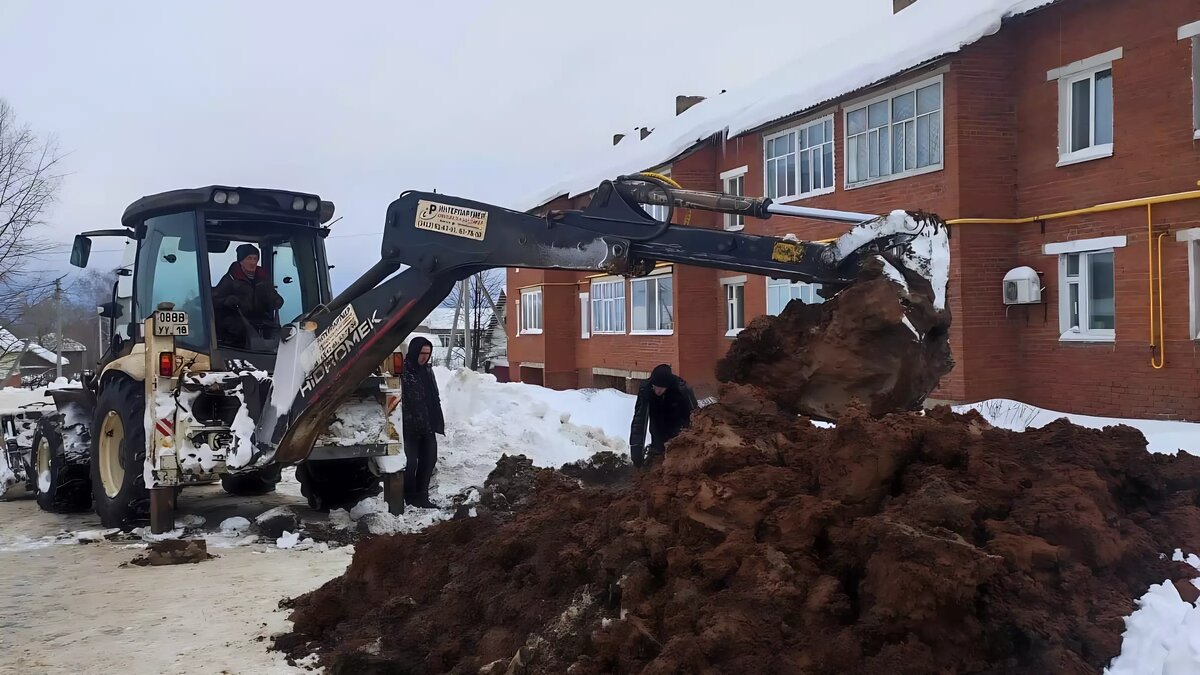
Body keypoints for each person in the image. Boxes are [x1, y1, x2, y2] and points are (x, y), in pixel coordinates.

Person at [399, 336, 445, 508]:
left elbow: (433, 396)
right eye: (421, 353)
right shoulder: (403, 371)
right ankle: (409, 497)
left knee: (429, 460)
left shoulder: (427, 370)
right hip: (410, 426)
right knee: (410, 463)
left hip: (428, 425)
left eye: (428, 353)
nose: (424, 357)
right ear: (413, 352)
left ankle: (422, 497)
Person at [212, 243, 284, 346]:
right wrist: (227, 300)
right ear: (241, 261)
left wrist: (277, 300)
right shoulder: (230, 279)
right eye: (249, 258)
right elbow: (214, 299)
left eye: (255, 259)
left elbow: (271, 294)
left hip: (260, 323)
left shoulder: (263, 279)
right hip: (236, 325)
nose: (253, 262)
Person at [629, 364, 698, 468]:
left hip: (679, 440)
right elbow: (639, 421)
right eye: (655, 387)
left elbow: (695, 416)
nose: (657, 391)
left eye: (660, 389)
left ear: (668, 386)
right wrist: (636, 453)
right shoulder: (646, 390)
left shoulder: (681, 390)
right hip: (657, 437)